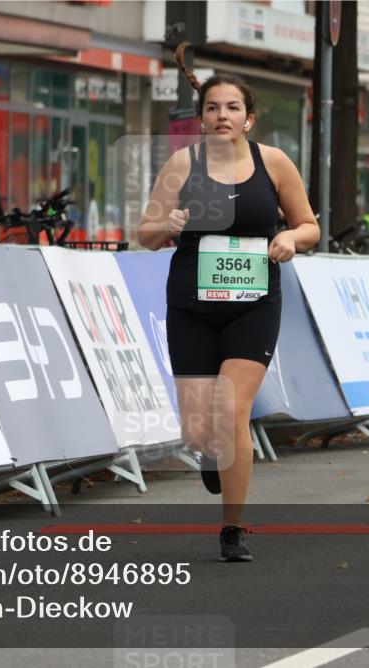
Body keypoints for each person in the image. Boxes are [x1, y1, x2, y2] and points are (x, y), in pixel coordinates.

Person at [138, 43, 319, 562]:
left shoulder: (274, 163)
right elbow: (145, 233)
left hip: (253, 303)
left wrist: (290, 239)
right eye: (213, 107)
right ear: (201, 118)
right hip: (192, 305)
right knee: (200, 427)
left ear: (248, 118)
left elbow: (309, 225)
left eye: (233, 108)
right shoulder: (183, 164)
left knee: (232, 409)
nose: (223, 115)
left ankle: (233, 528)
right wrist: (167, 224)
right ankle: (209, 451)